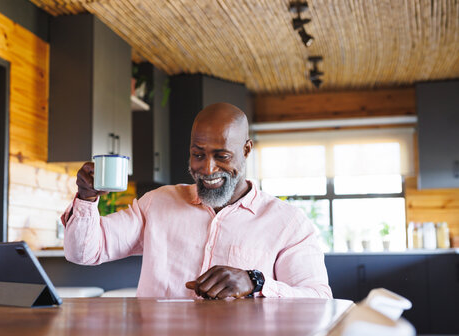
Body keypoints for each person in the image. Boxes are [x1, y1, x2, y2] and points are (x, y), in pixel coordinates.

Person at [61, 102, 331, 299]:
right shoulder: (157, 203)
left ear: (246, 150)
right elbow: (85, 252)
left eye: (222, 156)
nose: (208, 168)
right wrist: (86, 197)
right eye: (198, 154)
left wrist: (256, 282)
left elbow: (318, 298)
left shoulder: (287, 222)